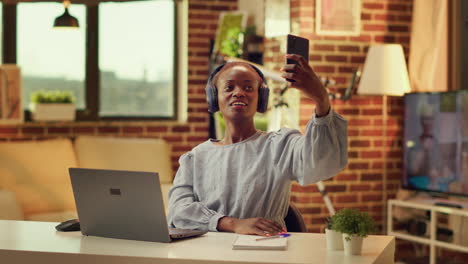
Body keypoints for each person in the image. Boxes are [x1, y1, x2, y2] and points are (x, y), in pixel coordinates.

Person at [168, 54, 348, 236]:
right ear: (214, 98)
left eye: (248, 87)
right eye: (229, 87)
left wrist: (321, 99)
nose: (238, 92)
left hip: (264, 249)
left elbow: (322, 163)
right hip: (208, 252)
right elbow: (178, 211)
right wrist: (231, 223)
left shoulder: (281, 145)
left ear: (261, 98)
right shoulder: (195, 157)